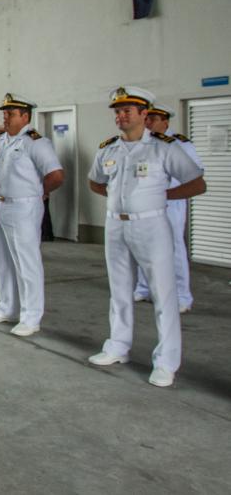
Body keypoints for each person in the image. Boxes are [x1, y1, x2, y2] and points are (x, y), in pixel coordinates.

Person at [87, 87, 205, 387]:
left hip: (151, 225)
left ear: (144, 113)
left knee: (163, 294)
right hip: (116, 225)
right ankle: (118, 345)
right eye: (117, 111)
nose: (121, 115)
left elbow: (197, 184)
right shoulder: (109, 148)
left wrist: (162, 196)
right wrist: (117, 198)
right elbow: (95, 181)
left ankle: (166, 361)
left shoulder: (163, 148)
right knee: (119, 289)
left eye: (127, 110)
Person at [0, 94, 64, 337]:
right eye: (4, 113)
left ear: (25, 116)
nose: (5, 117)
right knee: (3, 261)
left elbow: (56, 175)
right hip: (1, 205)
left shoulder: (35, 142)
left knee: (27, 263)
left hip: (24, 207)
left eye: (11, 114)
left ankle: (31, 317)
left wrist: (39, 192)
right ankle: (6, 307)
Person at [133, 103, 201, 314]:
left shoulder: (180, 144)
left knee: (173, 249)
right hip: (145, 204)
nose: (148, 123)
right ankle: (144, 287)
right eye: (146, 118)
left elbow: (195, 176)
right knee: (144, 246)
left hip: (170, 203)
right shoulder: (142, 143)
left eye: (153, 119)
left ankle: (181, 296)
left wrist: (166, 193)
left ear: (165, 122)